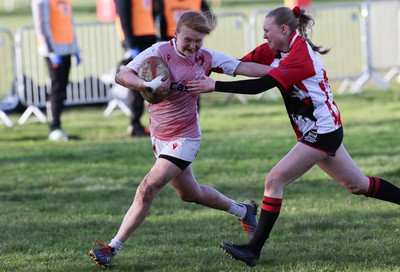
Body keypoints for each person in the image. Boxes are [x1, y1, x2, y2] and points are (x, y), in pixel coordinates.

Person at [187, 6, 400, 267]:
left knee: (274, 180)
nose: (264, 36)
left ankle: (253, 250)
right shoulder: (276, 49)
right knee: (358, 185)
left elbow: (262, 85)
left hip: (322, 131)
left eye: (267, 30)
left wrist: (215, 86)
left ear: (284, 30)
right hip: (320, 129)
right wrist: (200, 57)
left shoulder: (301, 56)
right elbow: (240, 65)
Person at [88, 10, 271, 268]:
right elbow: (122, 74)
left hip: (186, 137)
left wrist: (282, 70)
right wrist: (145, 85)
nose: (193, 46)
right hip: (160, 137)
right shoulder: (159, 51)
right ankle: (243, 210)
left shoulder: (206, 58)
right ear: (176, 34)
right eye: (189, 40)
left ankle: (111, 248)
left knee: (147, 188)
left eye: (199, 41)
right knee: (190, 193)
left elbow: (243, 67)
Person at [31, 0, 81, 142]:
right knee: (56, 88)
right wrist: (51, 51)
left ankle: (58, 126)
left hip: (66, 50)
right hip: (54, 51)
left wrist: (75, 48)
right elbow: (42, 25)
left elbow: (69, 23)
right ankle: (54, 128)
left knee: (62, 89)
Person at [155, 0, 213, 113]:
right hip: (171, 47)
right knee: (170, 85)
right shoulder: (164, 2)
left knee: (193, 82)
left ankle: (193, 114)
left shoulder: (198, 1)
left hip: (192, 52)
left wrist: (199, 34)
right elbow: (159, 20)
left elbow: (211, 18)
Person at [114, 0, 158, 137]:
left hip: (148, 37)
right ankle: (134, 123)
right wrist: (130, 44)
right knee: (137, 84)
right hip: (136, 40)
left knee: (151, 83)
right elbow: (123, 14)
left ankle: (151, 123)